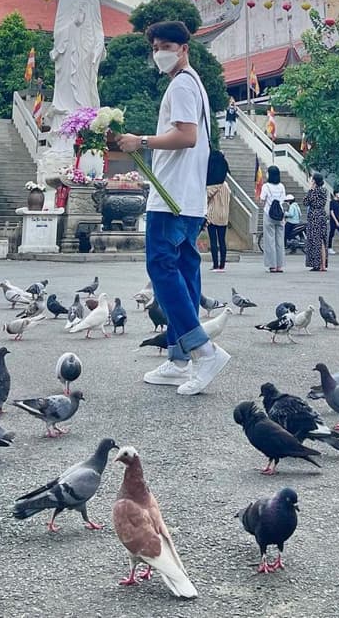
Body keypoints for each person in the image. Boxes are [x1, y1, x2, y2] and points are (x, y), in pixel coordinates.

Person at [117, 20, 229, 397]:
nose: (159, 53)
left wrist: (140, 140)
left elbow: (186, 135)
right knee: (184, 270)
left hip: (172, 197)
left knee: (161, 267)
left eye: (166, 46)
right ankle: (180, 358)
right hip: (187, 197)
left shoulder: (181, 84)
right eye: (155, 47)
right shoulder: (193, 83)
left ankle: (203, 351)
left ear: (184, 48)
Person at [259, 165, 287, 273]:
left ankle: (272, 265)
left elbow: (262, 200)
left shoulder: (266, 186)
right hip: (280, 215)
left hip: (269, 214)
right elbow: (283, 200)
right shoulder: (282, 186)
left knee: (270, 240)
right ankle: (280, 265)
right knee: (280, 240)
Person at [303, 173, 329, 271]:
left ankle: (317, 264)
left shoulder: (314, 191)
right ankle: (323, 264)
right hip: (322, 215)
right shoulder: (324, 190)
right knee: (322, 240)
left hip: (314, 216)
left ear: (314, 181)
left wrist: (310, 189)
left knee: (315, 240)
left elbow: (305, 202)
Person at [206, 171, 230, 272]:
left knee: (213, 241)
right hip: (224, 216)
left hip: (213, 215)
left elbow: (206, 196)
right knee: (222, 240)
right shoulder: (226, 186)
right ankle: (222, 265)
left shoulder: (213, 186)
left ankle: (215, 264)